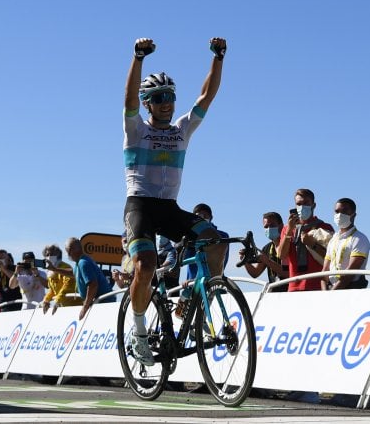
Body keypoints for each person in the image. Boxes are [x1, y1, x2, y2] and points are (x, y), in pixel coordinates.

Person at [122, 37, 228, 366]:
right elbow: (128, 102)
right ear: (148, 102)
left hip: (169, 208)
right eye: (158, 98)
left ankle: (201, 297)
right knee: (147, 266)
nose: (166, 102)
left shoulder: (182, 130)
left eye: (170, 97)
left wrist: (218, 57)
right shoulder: (136, 129)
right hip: (140, 206)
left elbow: (206, 97)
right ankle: (138, 333)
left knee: (216, 239)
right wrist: (138, 58)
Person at [277, 188, 334, 291]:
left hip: (317, 286)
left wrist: (313, 245)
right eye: (299, 204)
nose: (302, 207)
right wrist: (289, 231)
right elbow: (281, 255)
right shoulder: (287, 228)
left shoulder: (325, 228)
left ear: (314, 205)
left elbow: (332, 259)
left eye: (306, 203)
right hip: (294, 286)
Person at [323, 198, 370, 290]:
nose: (339, 215)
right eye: (337, 211)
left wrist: (331, 294)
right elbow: (324, 271)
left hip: (351, 290)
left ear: (354, 215)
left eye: (344, 211)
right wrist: (325, 293)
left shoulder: (360, 239)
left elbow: (350, 273)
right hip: (331, 290)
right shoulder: (333, 240)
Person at [67, 236, 114, 320]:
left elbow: (93, 285)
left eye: (68, 250)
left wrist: (85, 307)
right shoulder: (80, 262)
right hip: (99, 303)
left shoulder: (83, 263)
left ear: (72, 250)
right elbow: (73, 272)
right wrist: (54, 269)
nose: (68, 254)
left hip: (104, 304)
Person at [184, 203, 230, 285]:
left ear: (211, 218)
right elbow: (184, 258)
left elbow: (223, 260)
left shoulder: (223, 236)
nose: (202, 218)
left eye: (205, 216)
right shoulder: (189, 236)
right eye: (199, 216)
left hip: (215, 280)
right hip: (193, 282)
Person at [240, 211, 286, 283]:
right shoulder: (267, 248)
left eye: (272, 225)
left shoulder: (289, 244)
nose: (269, 229)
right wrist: (244, 260)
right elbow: (255, 273)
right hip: (273, 292)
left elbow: (290, 274)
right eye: (266, 227)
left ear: (281, 225)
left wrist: (267, 261)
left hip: (290, 292)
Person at [41, 244, 78, 312]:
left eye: (52, 254)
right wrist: (46, 300)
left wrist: (57, 300)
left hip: (74, 305)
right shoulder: (49, 271)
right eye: (47, 255)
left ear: (58, 255)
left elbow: (67, 286)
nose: (49, 256)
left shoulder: (65, 267)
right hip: (62, 306)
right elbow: (52, 290)